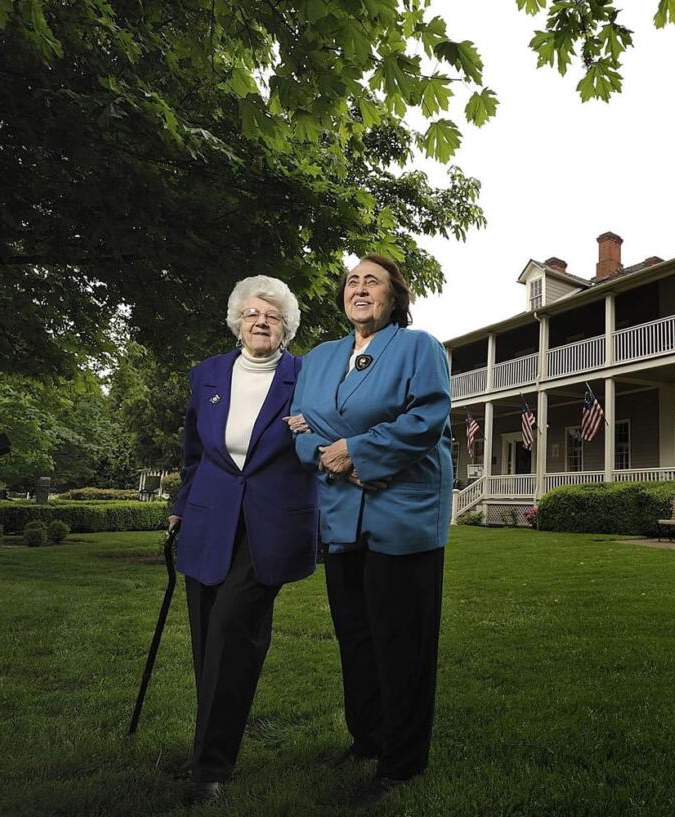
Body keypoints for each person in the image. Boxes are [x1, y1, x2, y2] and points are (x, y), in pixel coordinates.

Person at [285, 254, 452, 809]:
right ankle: (367, 740)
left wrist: (353, 448)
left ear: (393, 296)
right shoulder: (321, 358)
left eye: (372, 281)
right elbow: (298, 425)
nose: (360, 289)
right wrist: (333, 454)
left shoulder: (417, 347)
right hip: (341, 517)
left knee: (401, 642)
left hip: (401, 515)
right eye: (352, 281)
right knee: (354, 638)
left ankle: (401, 762)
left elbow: (425, 420)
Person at [168, 275, 317, 806]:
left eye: (272, 317)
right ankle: (208, 743)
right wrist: (181, 508)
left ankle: (208, 768)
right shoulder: (206, 374)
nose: (261, 322)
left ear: (285, 328)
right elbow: (193, 453)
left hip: (271, 525)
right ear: (237, 322)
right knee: (209, 639)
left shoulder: (305, 375)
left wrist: (312, 433)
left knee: (233, 631)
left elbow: (323, 437)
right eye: (253, 314)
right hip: (209, 520)